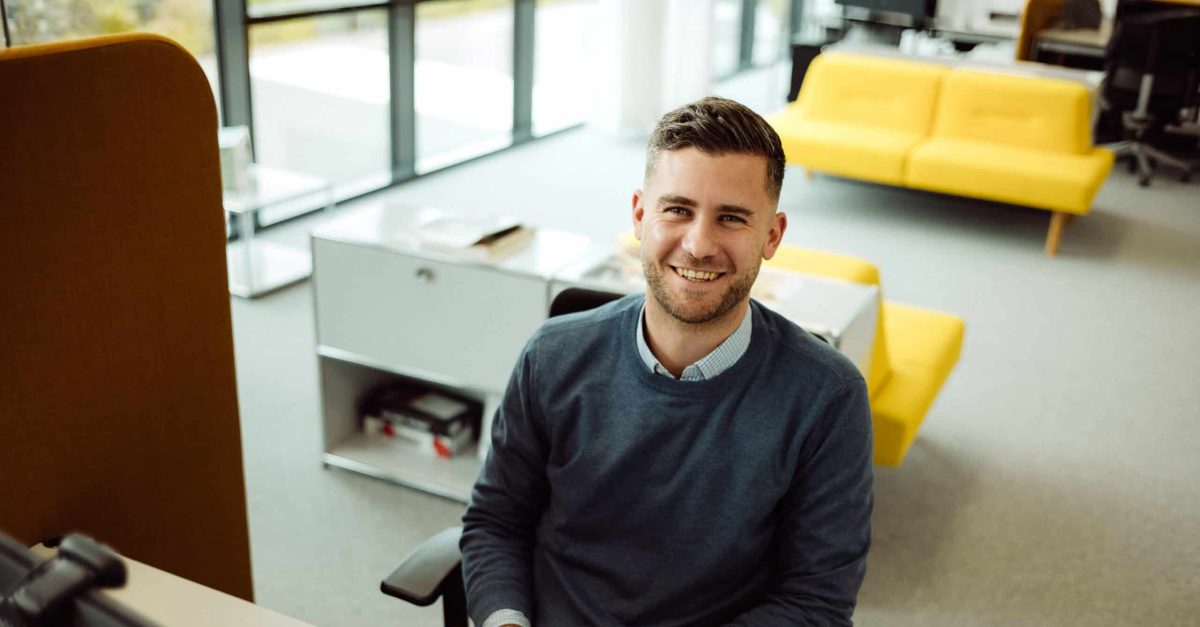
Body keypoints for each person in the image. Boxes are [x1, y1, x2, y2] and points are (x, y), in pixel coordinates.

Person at [460, 96, 874, 627]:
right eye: (677, 209)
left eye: (731, 218)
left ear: (772, 236)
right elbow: (496, 521)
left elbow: (816, 603)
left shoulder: (827, 397)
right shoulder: (553, 354)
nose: (699, 244)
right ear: (640, 214)